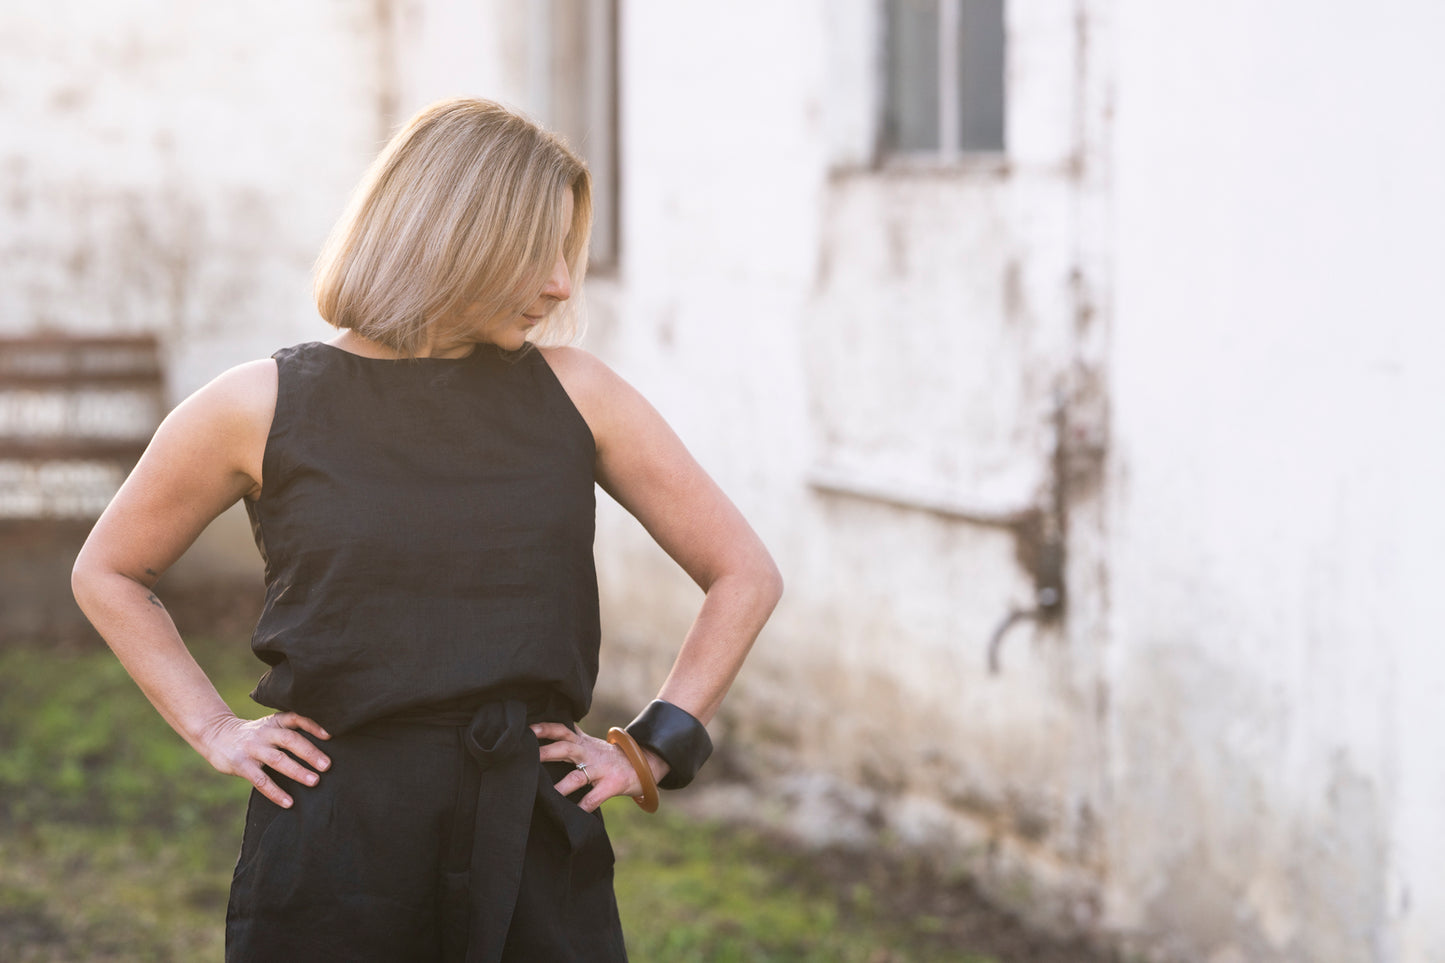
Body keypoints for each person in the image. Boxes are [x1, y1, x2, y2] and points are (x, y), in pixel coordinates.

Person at [70, 97, 783, 962]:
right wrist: (216, 729)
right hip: (336, 843)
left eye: (568, 253)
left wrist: (654, 749)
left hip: (529, 830)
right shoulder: (257, 404)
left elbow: (742, 571)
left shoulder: (577, 393)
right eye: (538, 253)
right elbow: (109, 569)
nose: (562, 284)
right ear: (454, 235)